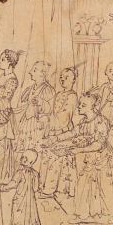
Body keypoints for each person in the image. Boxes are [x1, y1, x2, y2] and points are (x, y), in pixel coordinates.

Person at [58, 93, 113, 220]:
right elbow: (72, 133)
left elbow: (98, 144)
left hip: (100, 160)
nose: (79, 107)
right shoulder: (83, 121)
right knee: (83, 185)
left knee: (104, 187)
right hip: (86, 160)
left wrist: (79, 150)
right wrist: (56, 139)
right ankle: (83, 214)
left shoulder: (101, 122)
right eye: (80, 104)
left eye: (83, 105)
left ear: (93, 106)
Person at [0, 50, 21, 205]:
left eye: (2, 60)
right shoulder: (1, 77)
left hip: (3, 113)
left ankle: (2, 179)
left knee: (2, 148)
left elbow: (6, 99)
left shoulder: (12, 79)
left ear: (10, 62)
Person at [39, 66, 79, 199]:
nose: (63, 80)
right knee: (48, 158)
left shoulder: (72, 96)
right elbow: (51, 109)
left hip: (63, 132)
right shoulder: (58, 94)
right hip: (53, 129)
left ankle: (54, 190)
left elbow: (65, 116)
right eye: (61, 77)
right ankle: (45, 186)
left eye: (67, 77)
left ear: (73, 80)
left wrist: (49, 119)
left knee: (58, 160)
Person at [0, 148, 43, 225]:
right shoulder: (35, 173)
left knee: (18, 211)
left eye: (23, 157)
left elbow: (13, 183)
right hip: (30, 198)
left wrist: (3, 187)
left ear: (28, 161)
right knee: (30, 210)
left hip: (20, 197)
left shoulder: (20, 173)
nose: (21, 159)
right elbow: (35, 188)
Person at [16, 61, 55, 152]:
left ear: (43, 74)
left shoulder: (48, 90)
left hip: (38, 125)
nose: (30, 72)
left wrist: (41, 102)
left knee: (35, 149)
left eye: (34, 70)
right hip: (27, 122)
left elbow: (50, 109)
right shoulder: (29, 89)